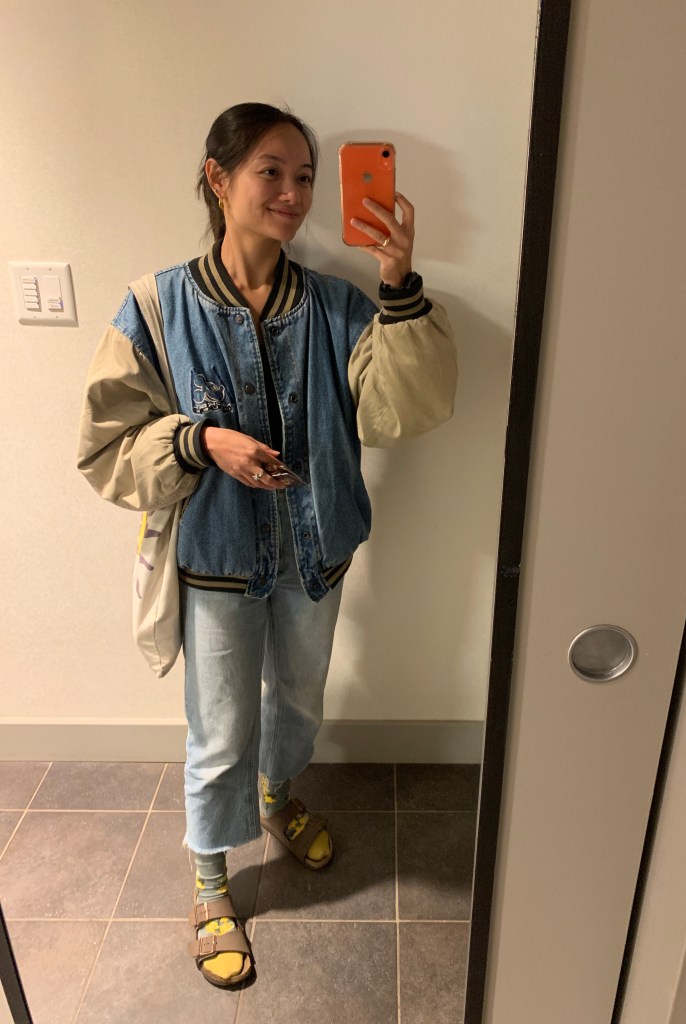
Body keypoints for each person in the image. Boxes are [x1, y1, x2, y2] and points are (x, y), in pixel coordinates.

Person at [76, 102, 457, 988]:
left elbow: (405, 410)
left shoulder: (336, 306)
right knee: (219, 730)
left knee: (297, 702)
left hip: (316, 556)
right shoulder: (156, 307)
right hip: (215, 562)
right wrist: (199, 441)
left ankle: (279, 797)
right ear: (219, 178)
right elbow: (104, 445)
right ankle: (211, 882)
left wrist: (398, 282)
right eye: (271, 172)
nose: (293, 193)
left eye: (306, 177)